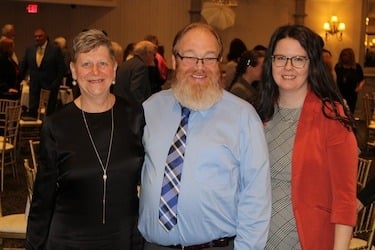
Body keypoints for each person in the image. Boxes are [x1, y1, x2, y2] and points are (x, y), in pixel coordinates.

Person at [138, 22, 271, 249]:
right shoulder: (151, 109)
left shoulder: (242, 116)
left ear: (219, 63)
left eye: (209, 58)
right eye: (189, 56)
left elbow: (256, 196)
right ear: (174, 60)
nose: (199, 67)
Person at [26, 29, 145, 249]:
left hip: (125, 239)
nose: (95, 71)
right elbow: (43, 198)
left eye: (102, 63)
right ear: (73, 70)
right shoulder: (56, 125)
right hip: (69, 241)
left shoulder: (135, 116)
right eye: (86, 64)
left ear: (114, 68)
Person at [257, 24, 358, 249]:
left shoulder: (331, 116)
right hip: (255, 240)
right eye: (281, 58)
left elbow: (344, 199)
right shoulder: (257, 115)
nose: (288, 66)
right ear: (271, 62)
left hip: (306, 241)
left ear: (312, 64)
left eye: (298, 59)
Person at [18, 27, 66, 117]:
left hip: (50, 85)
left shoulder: (55, 50)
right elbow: (24, 67)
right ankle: (34, 129)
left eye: (40, 36)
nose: (37, 38)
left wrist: (55, 83)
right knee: (32, 109)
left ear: (46, 36)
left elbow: (61, 69)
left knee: (49, 112)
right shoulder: (30, 49)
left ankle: (47, 129)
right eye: (35, 36)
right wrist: (18, 82)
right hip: (34, 85)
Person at [335, 47, 365, 114]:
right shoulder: (338, 67)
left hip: (352, 94)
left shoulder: (357, 67)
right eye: (343, 55)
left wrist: (359, 88)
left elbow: (362, 80)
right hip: (339, 93)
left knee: (350, 112)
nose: (344, 57)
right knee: (340, 111)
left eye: (346, 55)